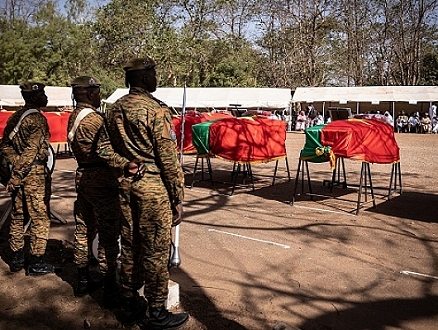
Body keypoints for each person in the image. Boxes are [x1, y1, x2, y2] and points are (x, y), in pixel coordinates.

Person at [107, 56, 189, 329]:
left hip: (126, 185)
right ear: (143, 78)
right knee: (155, 251)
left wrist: (124, 164)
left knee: (129, 246)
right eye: (153, 74)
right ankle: (156, 311)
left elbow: (104, 149)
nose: (157, 79)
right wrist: (178, 197)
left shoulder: (115, 108)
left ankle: (129, 301)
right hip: (153, 190)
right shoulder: (156, 111)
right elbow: (168, 159)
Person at [67, 76, 141, 306]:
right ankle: (110, 289)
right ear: (89, 94)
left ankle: (81, 280)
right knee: (109, 235)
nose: (99, 96)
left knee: (83, 229)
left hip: (83, 176)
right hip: (101, 180)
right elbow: (106, 150)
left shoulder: (74, 117)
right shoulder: (95, 121)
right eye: (97, 92)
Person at [0, 82, 59, 275]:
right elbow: (31, 152)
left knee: (18, 216)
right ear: (33, 97)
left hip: (18, 173)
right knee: (40, 218)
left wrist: (14, 166)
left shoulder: (15, 117)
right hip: (34, 176)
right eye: (42, 93)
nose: (45, 96)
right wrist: (18, 173)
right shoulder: (37, 119)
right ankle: (36, 262)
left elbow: (5, 146)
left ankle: (16, 260)